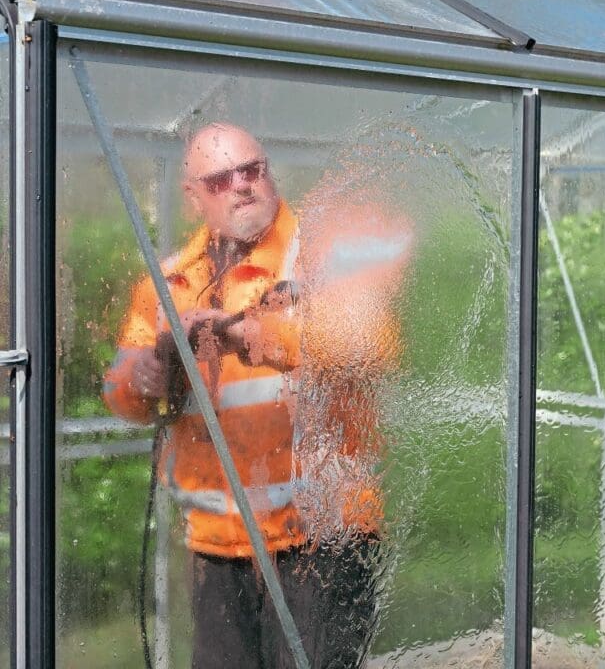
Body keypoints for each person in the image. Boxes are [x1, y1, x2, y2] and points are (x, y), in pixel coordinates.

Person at [103, 123, 405, 669]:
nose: (242, 185)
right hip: (219, 547)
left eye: (252, 170)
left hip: (323, 540)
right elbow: (117, 387)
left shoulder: (324, 248)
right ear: (194, 197)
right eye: (221, 179)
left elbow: (372, 343)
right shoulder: (168, 281)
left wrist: (250, 336)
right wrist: (142, 379)